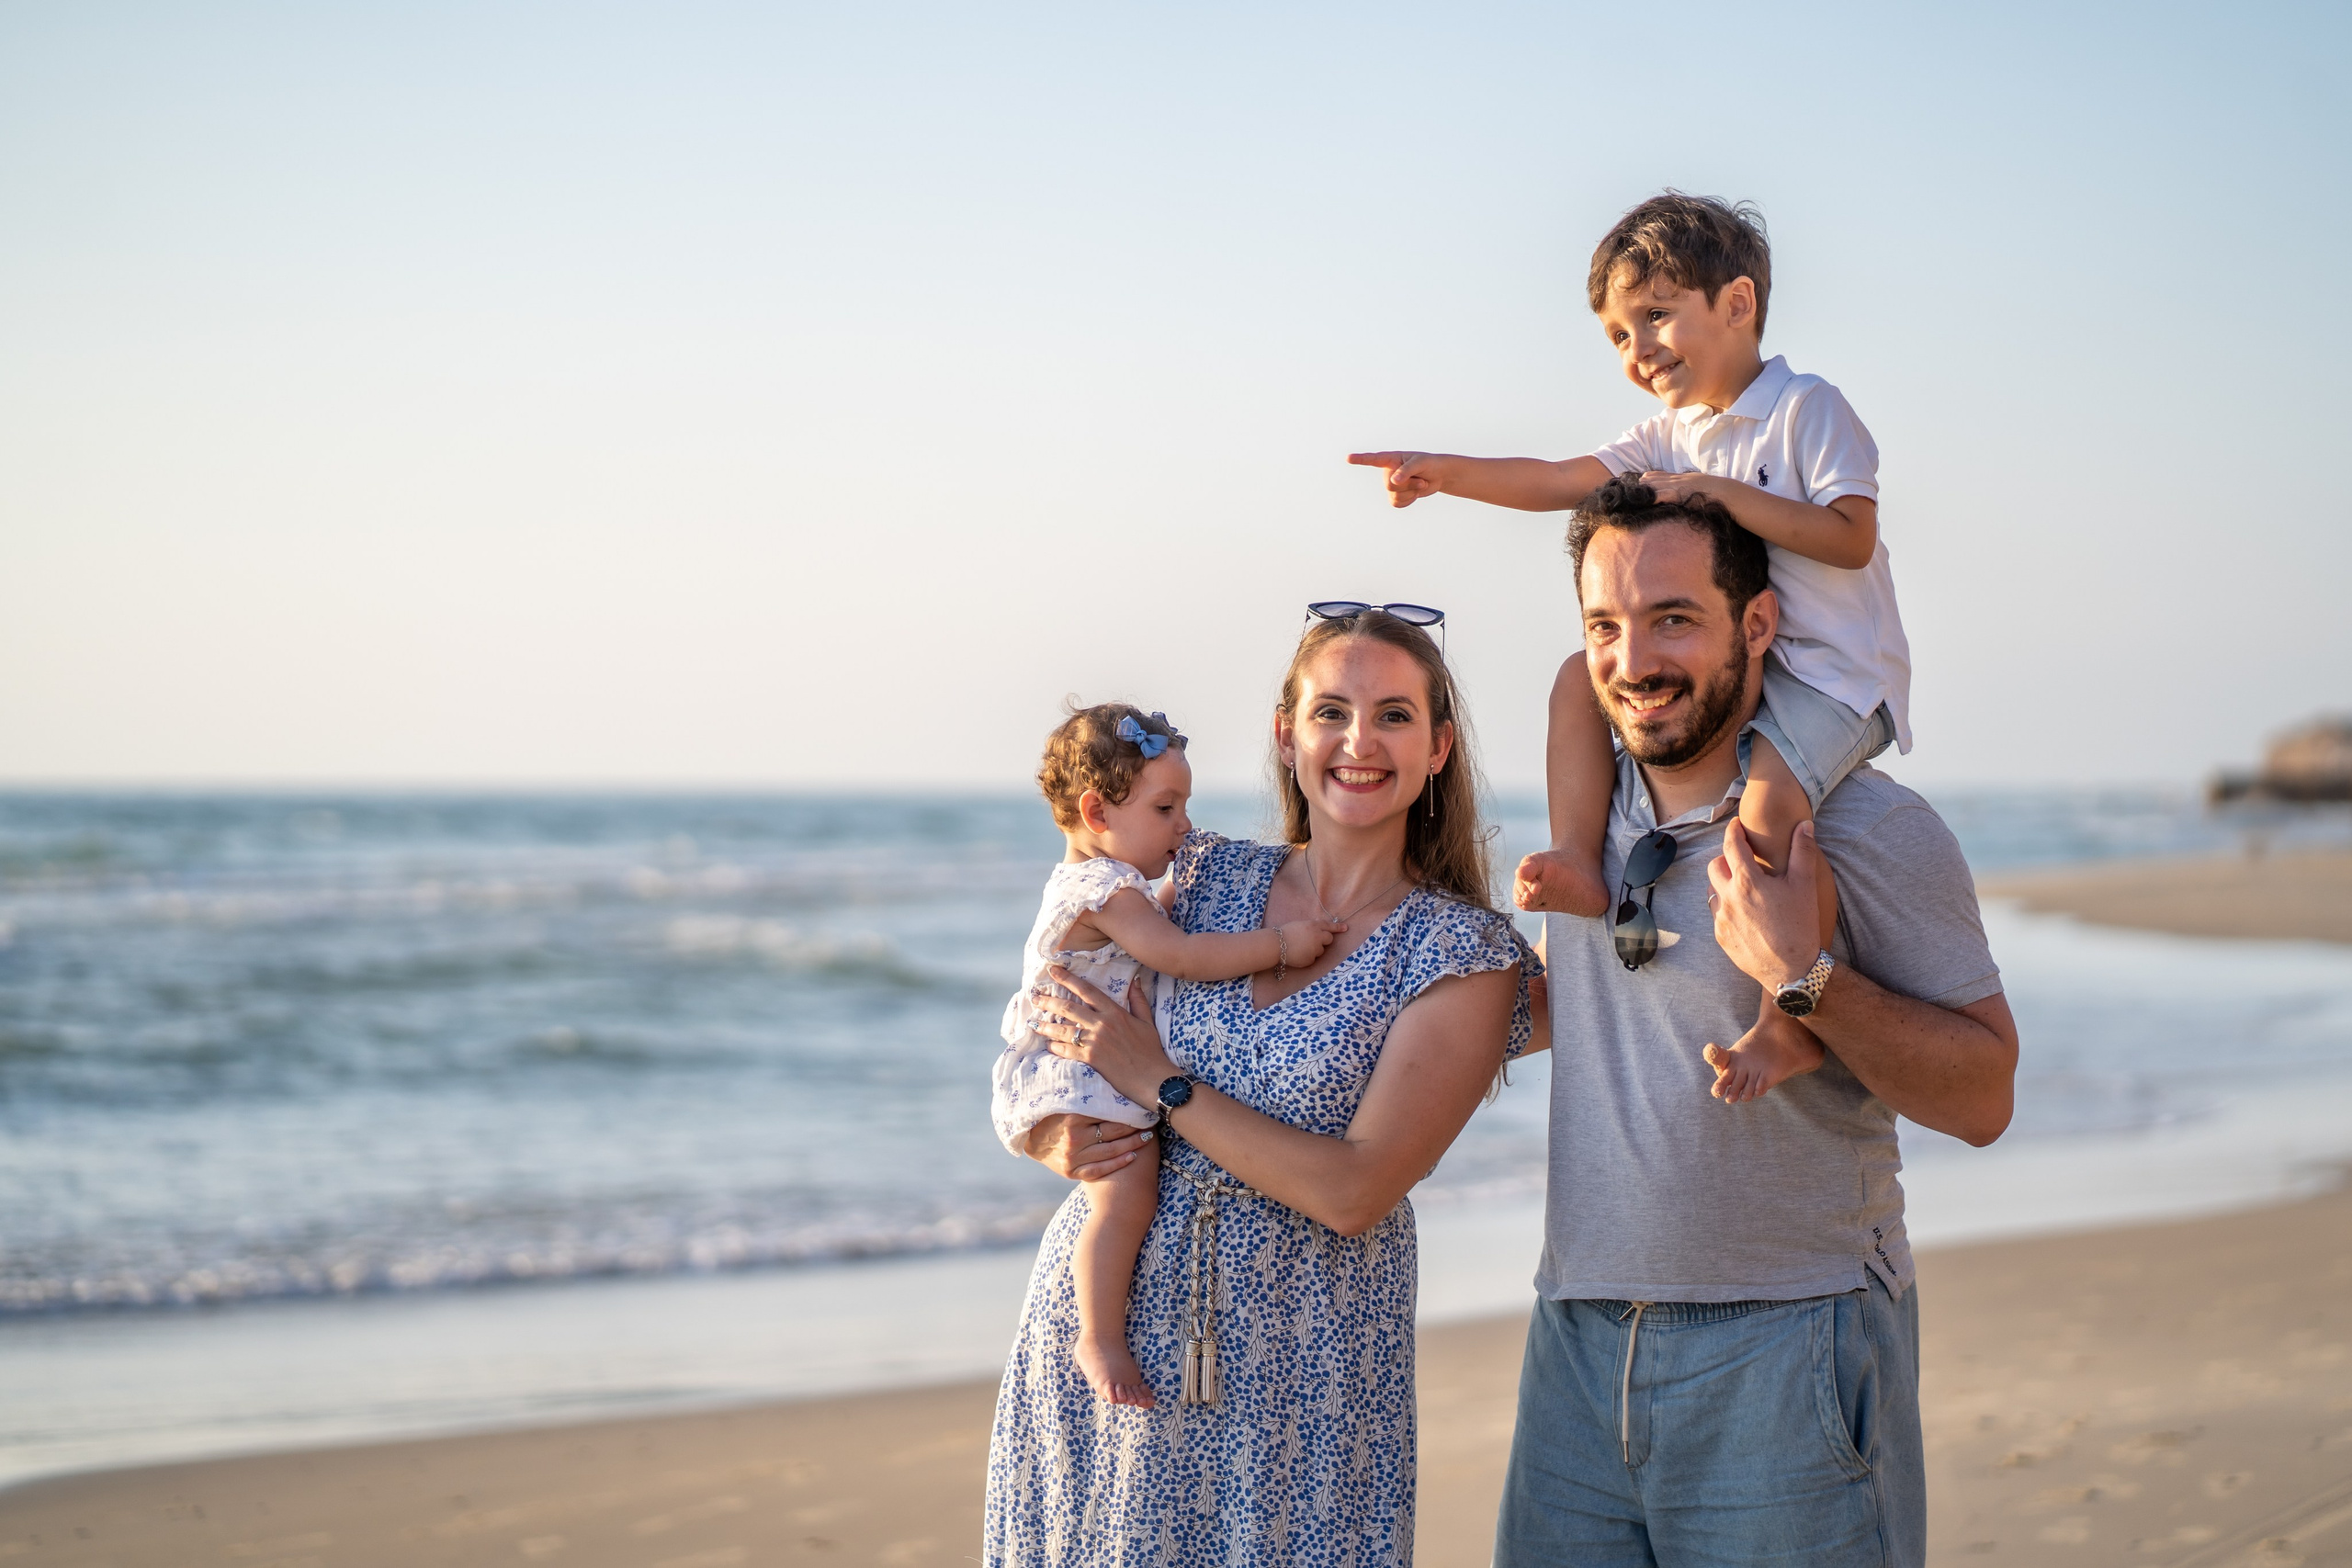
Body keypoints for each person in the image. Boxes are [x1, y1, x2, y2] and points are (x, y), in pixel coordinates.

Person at [1497, 478, 2017, 1567]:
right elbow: (1573, 1003)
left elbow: (1982, 1096)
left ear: (1759, 624)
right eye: (1604, 625)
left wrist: (1803, 976)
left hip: (1790, 1342)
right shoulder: (1590, 820)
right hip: (1575, 1344)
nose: (1633, 661)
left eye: (1673, 619)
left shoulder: (1869, 828)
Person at [984, 608, 1538, 1567]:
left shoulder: (1460, 953)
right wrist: (1048, 1136)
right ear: (1287, 734)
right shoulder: (1194, 880)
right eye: (1331, 710)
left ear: (1438, 748)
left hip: (1306, 1360)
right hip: (1107, 1336)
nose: (1358, 743)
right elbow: (1053, 1012)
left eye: (1395, 716)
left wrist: (1159, 1083)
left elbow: (1354, 1191)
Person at [1351, 191, 1908, 1103]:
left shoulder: (1806, 411)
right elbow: (1560, 478)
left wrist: (1711, 495)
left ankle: (1789, 1020)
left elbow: (1848, 536)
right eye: (1616, 335)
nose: (1636, 348)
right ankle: (1576, 853)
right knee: (1579, 677)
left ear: (1736, 304)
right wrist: (1444, 474)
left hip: (1831, 681)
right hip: (1741, 671)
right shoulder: (1667, 433)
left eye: (1654, 316)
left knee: (1764, 827)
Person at [991, 701, 1342, 1407]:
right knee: (1126, 1195)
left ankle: (1098, 1328)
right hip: (1080, 1069)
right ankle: (1098, 1334)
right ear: (1096, 812)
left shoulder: (1107, 886)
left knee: (1120, 1194)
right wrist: (1282, 945)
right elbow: (1179, 954)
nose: (1182, 823)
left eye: (1183, 803)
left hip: (1080, 1061)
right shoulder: (1106, 890)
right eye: (1164, 807)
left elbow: (1154, 926)